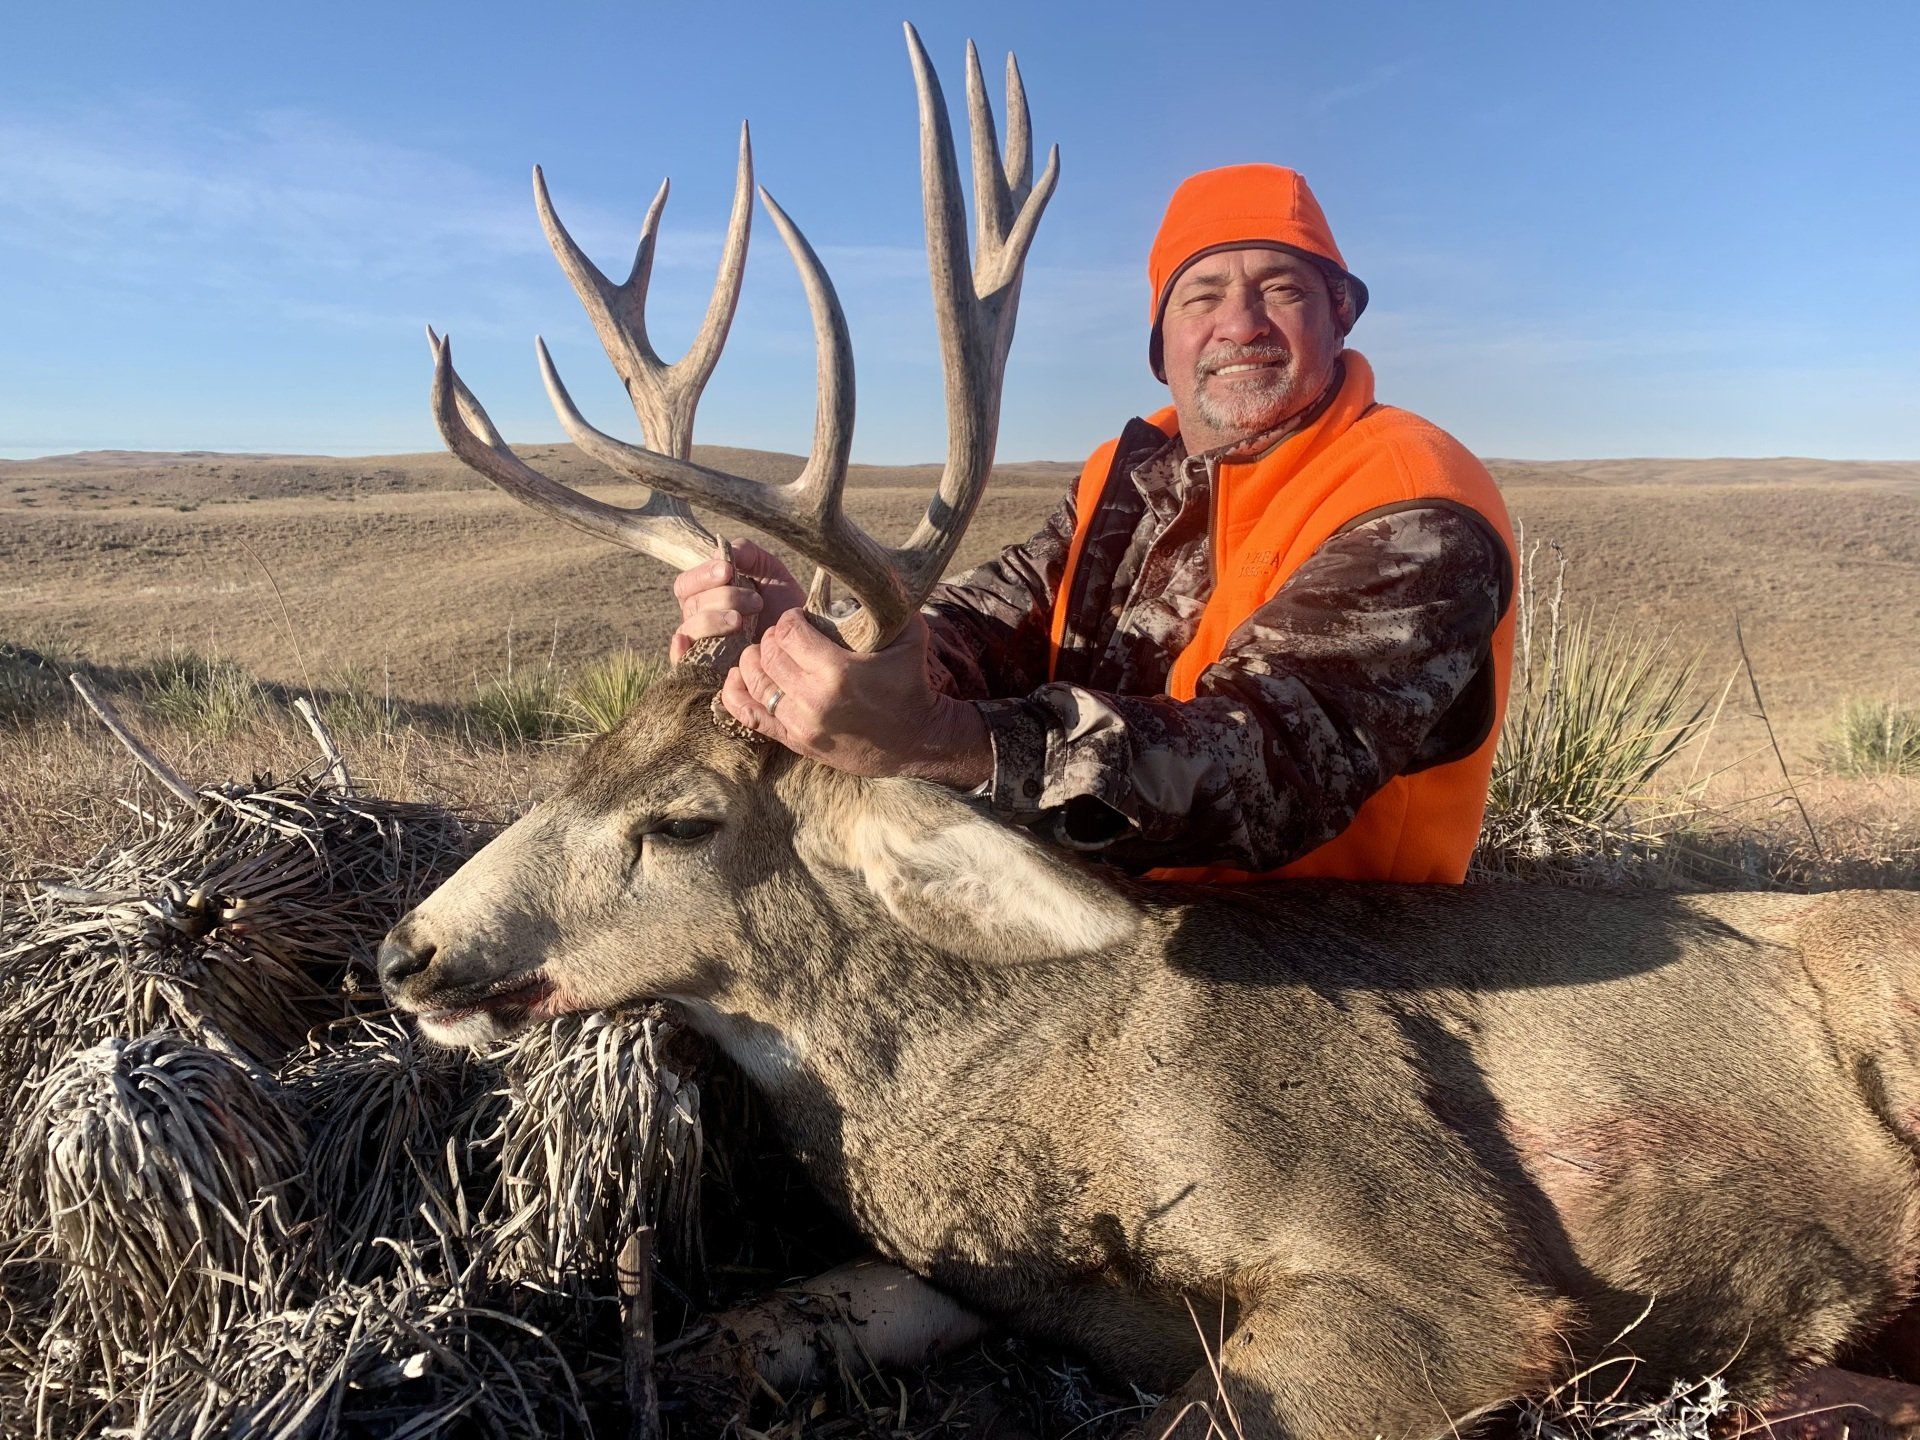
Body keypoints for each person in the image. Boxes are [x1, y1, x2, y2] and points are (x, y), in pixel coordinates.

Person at [670, 164, 1516, 884]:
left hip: (1335, 953)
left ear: (1339, 315)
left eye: (1282, 290)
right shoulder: (1130, 476)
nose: (1240, 324)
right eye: (1202, 296)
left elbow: (1273, 764)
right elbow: (988, 624)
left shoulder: (1414, 502)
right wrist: (827, 645)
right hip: (1116, 913)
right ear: (1162, 344)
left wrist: (942, 740)